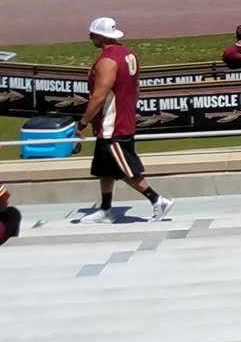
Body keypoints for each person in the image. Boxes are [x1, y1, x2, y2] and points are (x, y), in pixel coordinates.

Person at [74, 17, 172, 224]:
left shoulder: (107, 61)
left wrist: (82, 122)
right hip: (120, 120)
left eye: (92, 34)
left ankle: (157, 200)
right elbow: (135, 89)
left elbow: (98, 96)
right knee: (104, 169)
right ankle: (106, 209)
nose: (90, 37)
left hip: (113, 126)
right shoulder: (129, 55)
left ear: (101, 36)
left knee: (123, 168)